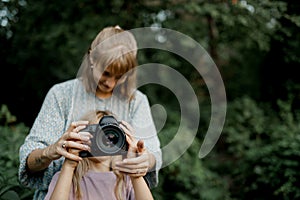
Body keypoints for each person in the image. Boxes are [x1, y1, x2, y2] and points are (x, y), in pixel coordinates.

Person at [19, 25, 162, 200]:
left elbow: (153, 154)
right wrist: (52, 151)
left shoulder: (136, 101)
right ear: (92, 58)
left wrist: (142, 161)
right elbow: (29, 160)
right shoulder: (62, 94)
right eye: (106, 73)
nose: (110, 83)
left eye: (120, 76)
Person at [44, 110, 154, 200]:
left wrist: (134, 172)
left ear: (121, 138)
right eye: (98, 133)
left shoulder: (127, 180)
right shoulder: (67, 178)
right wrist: (69, 165)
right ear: (82, 136)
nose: (105, 140)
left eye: (110, 134)